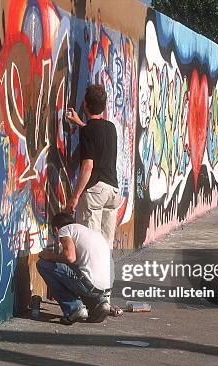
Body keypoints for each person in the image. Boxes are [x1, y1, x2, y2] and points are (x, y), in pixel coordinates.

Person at [65, 84, 123, 317]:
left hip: (95, 191)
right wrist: (80, 124)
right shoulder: (110, 128)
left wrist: (75, 196)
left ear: (85, 105)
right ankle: (106, 300)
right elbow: (95, 132)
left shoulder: (89, 130)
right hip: (113, 192)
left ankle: (91, 301)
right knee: (106, 246)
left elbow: (88, 166)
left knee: (89, 246)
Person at [36, 213, 111, 325]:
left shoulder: (64, 230)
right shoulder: (88, 232)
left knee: (43, 264)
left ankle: (74, 308)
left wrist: (49, 256)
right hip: (104, 288)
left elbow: (70, 257)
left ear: (56, 229)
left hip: (88, 286)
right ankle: (99, 304)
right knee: (80, 272)